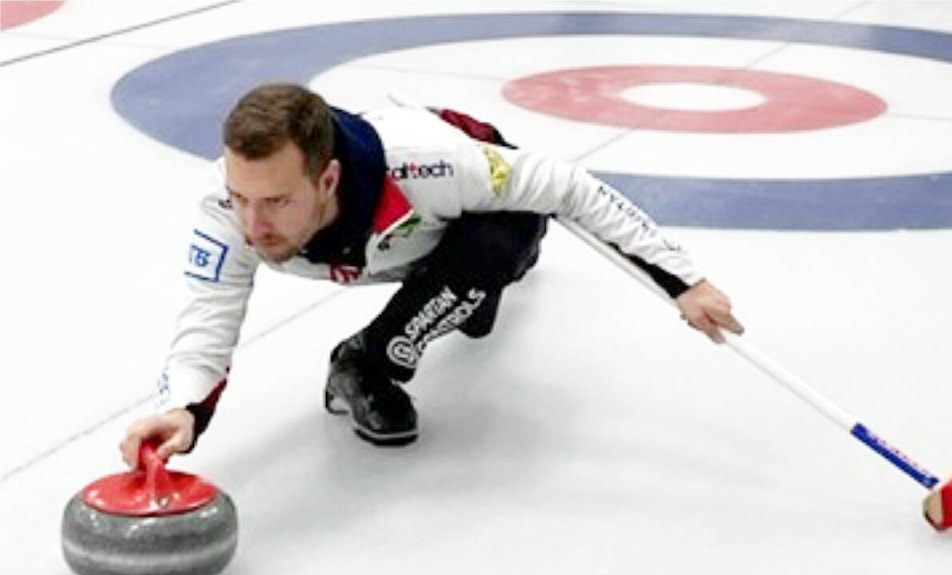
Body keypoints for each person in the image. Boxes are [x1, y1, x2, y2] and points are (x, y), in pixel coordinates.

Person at [120, 82, 744, 466]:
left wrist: (684, 282)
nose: (254, 225)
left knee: (505, 239)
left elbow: (569, 185)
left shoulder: (433, 166)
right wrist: (181, 410)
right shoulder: (232, 205)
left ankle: (373, 354)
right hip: (389, 248)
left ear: (328, 179)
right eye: (241, 198)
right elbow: (208, 315)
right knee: (470, 298)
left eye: (278, 202)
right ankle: (404, 340)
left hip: (460, 209)